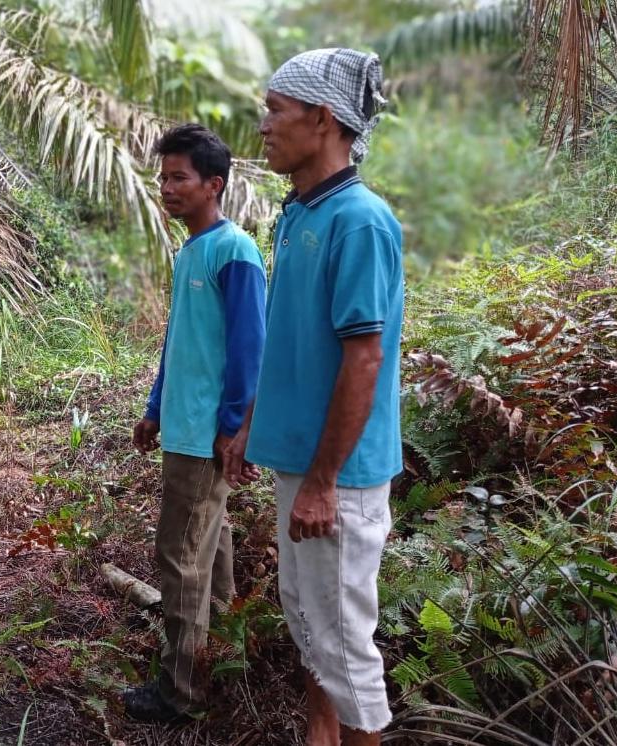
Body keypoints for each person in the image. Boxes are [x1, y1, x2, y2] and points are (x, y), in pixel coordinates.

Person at [224, 49, 402, 746]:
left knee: (345, 644)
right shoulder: (298, 215)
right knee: (309, 623)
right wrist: (253, 427)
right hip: (302, 463)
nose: (264, 126)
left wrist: (325, 481)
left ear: (323, 119)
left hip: (340, 475)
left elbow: (365, 359)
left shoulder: (359, 221)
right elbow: (292, 344)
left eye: (276, 110)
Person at [124, 123, 267, 722]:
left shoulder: (235, 252)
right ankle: (220, 659)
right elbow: (180, 345)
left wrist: (233, 428)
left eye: (179, 177)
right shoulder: (192, 251)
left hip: (206, 435)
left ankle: (181, 692)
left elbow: (250, 349)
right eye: (163, 177)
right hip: (182, 426)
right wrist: (155, 410)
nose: (167, 187)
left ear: (215, 184)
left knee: (179, 555)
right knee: (211, 545)